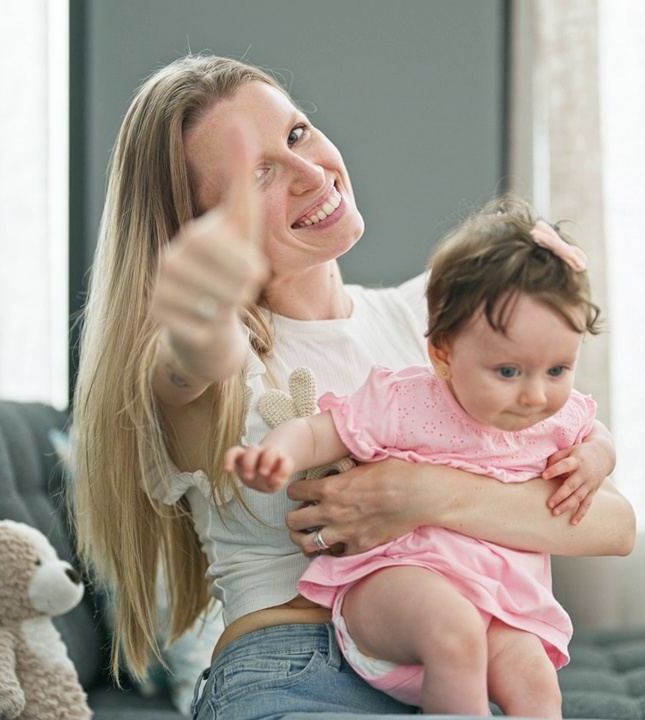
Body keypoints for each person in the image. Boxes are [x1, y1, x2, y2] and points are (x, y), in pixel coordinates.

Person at [69, 54, 635, 720]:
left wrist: (418, 495)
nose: (312, 174)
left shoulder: (443, 324)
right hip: (292, 669)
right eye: (261, 175)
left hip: (454, 664)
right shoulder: (208, 371)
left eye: (298, 133)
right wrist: (199, 319)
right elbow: (189, 370)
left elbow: (611, 524)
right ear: (200, 230)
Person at [223, 195, 600, 716]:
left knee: (537, 681)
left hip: (501, 606)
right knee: (456, 631)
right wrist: (275, 453)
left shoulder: (558, 417)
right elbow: (318, 432)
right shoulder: (410, 399)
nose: (536, 395)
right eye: (509, 372)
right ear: (444, 352)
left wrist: (596, 460)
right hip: (397, 590)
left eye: (558, 370)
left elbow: (595, 439)